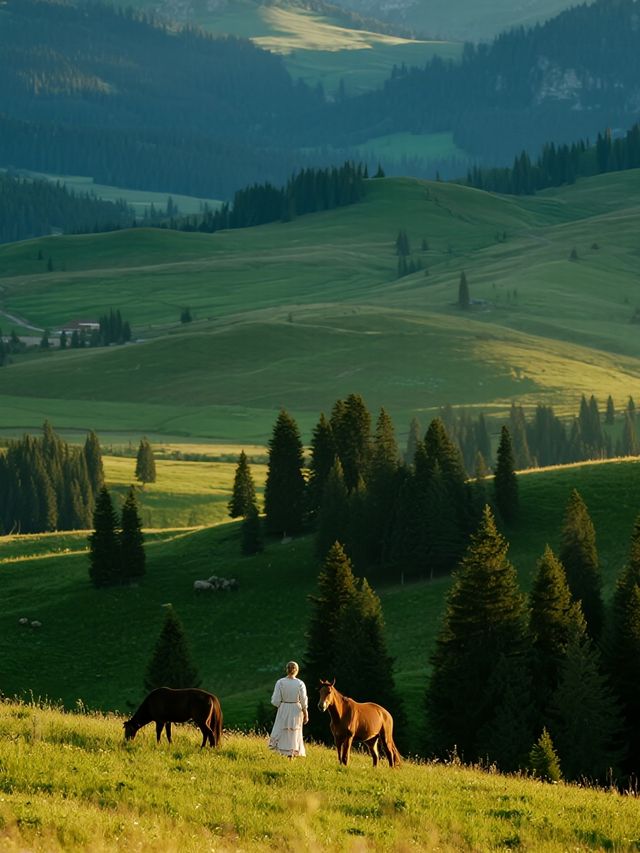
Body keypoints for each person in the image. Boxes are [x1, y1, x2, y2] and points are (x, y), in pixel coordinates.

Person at [268, 660, 309, 758]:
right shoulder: (300, 683)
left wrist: (281, 705)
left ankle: (283, 753)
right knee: (294, 732)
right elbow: (303, 699)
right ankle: (292, 754)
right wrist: (305, 712)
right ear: (297, 671)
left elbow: (275, 700)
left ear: (287, 670)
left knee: (283, 731)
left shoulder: (280, 682)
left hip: (284, 708)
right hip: (296, 709)